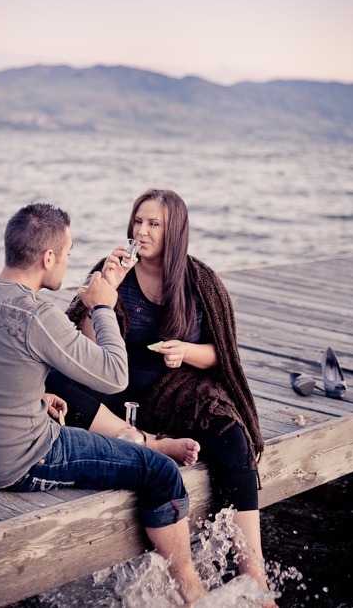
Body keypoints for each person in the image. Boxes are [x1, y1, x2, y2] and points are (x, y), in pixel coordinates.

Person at [0, 202, 206, 604]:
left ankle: (138, 441)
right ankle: (192, 590)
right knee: (163, 474)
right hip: (19, 460)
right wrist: (103, 304)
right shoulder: (36, 314)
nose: (67, 261)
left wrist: (35, 393)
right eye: (67, 254)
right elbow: (116, 375)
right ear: (48, 258)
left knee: (79, 412)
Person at [65, 189, 278, 607]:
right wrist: (105, 291)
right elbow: (85, 355)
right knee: (60, 386)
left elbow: (224, 354)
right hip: (118, 390)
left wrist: (186, 352)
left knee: (231, 435)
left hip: (178, 390)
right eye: (137, 222)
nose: (140, 231)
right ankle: (145, 440)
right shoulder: (110, 273)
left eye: (153, 224)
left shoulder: (200, 280)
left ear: (174, 231)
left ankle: (253, 572)